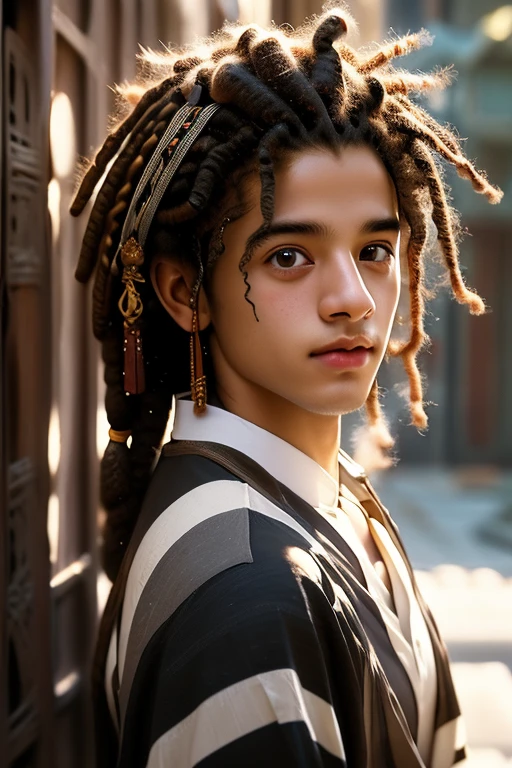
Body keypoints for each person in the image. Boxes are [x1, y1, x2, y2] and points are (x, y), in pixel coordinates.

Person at [71, 7, 502, 768]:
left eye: (374, 248)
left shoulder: (334, 494)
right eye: (290, 257)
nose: (354, 299)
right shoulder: (247, 602)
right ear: (184, 292)